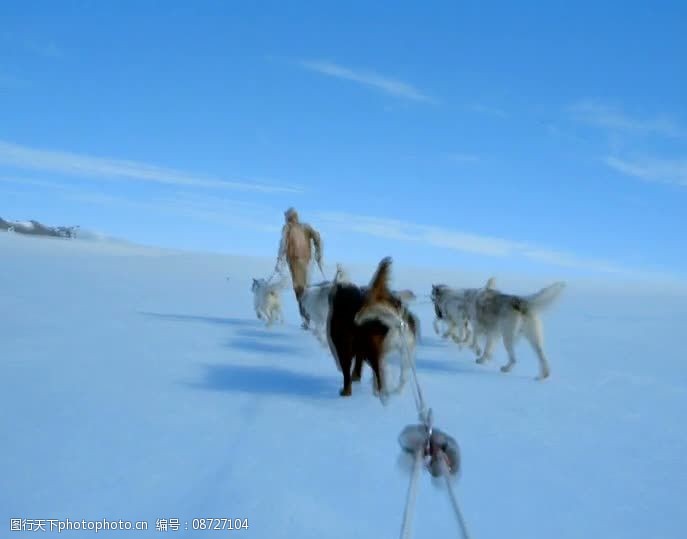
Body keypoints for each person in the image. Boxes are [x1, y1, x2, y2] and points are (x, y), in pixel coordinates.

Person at [274, 207, 324, 328]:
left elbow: (283, 244)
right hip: (306, 261)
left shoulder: (288, 228)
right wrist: (318, 252)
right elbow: (317, 237)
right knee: (305, 289)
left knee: (300, 291)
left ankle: (308, 319)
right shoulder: (305, 227)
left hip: (295, 260)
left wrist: (279, 260)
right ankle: (311, 317)